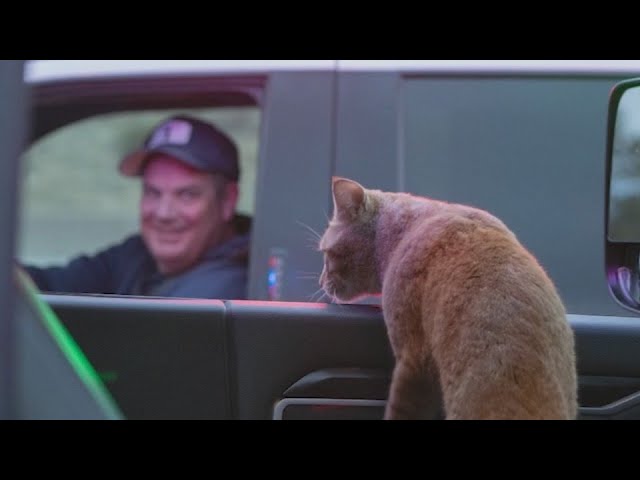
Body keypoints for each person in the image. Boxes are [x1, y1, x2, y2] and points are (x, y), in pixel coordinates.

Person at [24, 115, 251, 299]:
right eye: (153, 193)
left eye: (187, 195)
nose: (163, 213)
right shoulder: (137, 255)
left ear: (227, 201)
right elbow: (47, 285)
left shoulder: (228, 289)